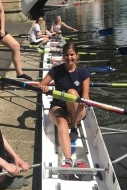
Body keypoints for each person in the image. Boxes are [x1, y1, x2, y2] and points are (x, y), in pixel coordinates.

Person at [38, 41, 90, 179]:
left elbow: (85, 96)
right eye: (66, 55)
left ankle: (73, 126)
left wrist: (85, 101)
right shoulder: (56, 70)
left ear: (77, 56)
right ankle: (68, 160)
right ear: (63, 56)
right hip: (58, 106)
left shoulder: (83, 73)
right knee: (61, 123)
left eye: (72, 55)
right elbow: (42, 84)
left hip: (77, 110)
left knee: (72, 92)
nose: (69, 58)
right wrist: (44, 87)